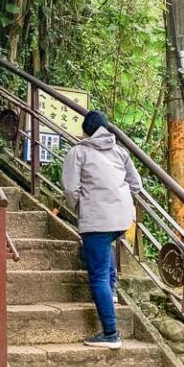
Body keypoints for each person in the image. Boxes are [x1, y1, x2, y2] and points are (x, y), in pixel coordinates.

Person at [62, 110, 142, 349]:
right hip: (121, 219)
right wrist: (120, 202)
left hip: (97, 219)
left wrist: (82, 207)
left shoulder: (79, 152)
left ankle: (110, 333)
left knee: (96, 275)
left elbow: (70, 189)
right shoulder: (120, 151)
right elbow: (136, 185)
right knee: (104, 251)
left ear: (86, 130)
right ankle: (112, 292)